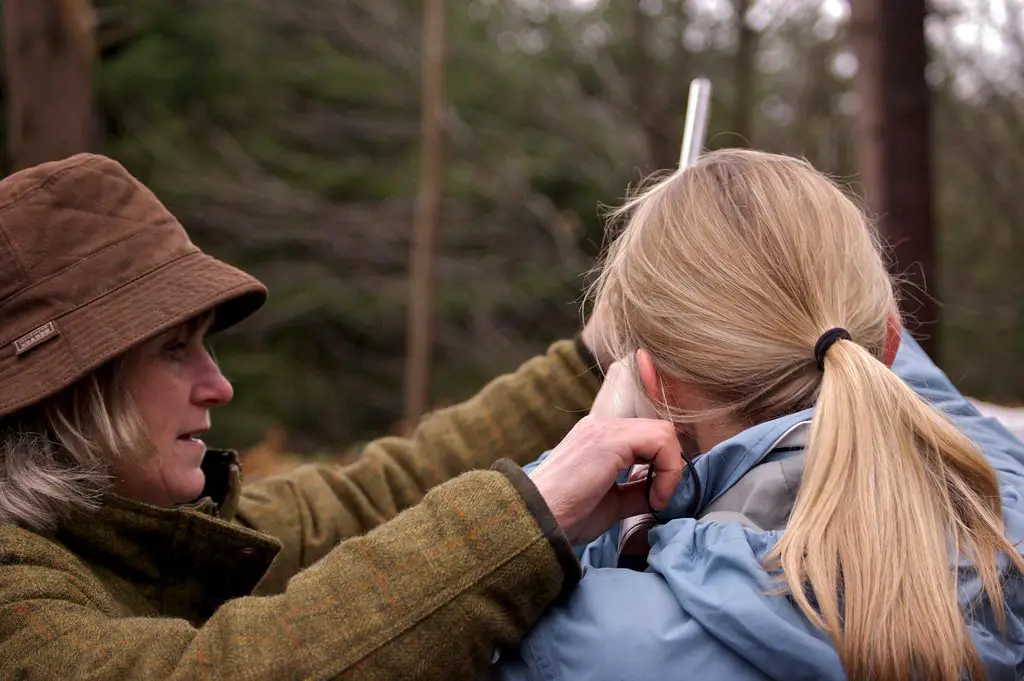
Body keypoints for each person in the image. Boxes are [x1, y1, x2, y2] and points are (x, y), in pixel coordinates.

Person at [0, 153, 684, 680]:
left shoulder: (133, 534)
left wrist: (591, 358)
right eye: (175, 350)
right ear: (72, 390)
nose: (218, 385)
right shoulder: (15, 599)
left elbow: (377, 495)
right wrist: (533, 512)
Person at [491, 149, 1024, 681]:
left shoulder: (586, 645)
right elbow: (879, 368)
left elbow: (448, 610)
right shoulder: (1002, 515)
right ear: (887, 342)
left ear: (657, 386)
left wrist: (555, 487)